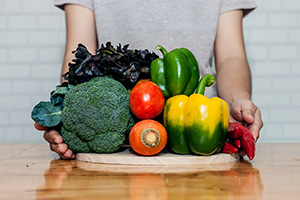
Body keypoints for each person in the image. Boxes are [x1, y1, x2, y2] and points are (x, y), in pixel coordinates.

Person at [44, 0, 263, 159]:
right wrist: (67, 111)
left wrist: (238, 101)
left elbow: (231, 56)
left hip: (200, 127)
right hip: (121, 136)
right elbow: (80, 56)